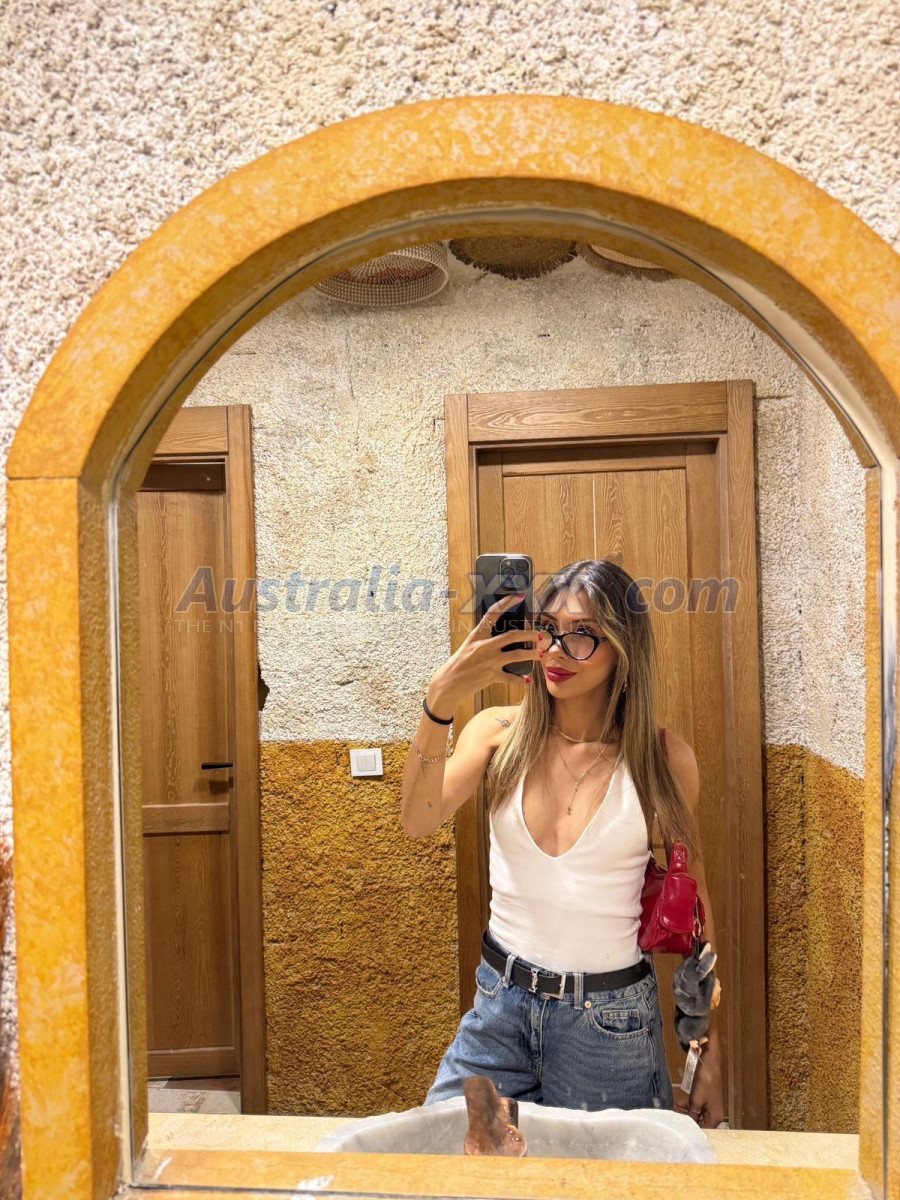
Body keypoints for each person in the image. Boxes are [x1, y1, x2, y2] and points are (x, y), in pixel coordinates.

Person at [400, 558, 725, 1123]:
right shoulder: (497, 735)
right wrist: (440, 700)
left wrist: (706, 1046)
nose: (556, 649)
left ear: (623, 647)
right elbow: (417, 820)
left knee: (605, 1171)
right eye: (548, 628)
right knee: (443, 1154)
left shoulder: (662, 760)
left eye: (582, 634)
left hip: (610, 1025)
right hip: (499, 1009)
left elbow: (693, 903)